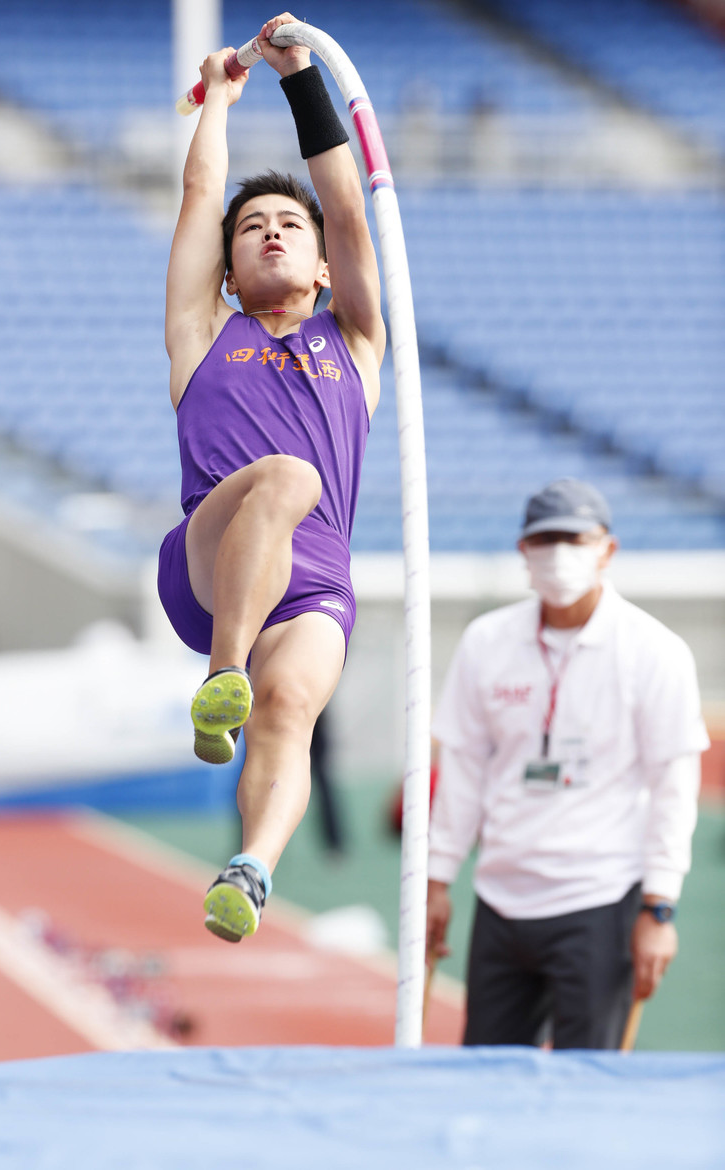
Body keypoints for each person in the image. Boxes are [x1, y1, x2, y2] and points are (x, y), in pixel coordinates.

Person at [157, 13, 385, 944]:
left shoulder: (357, 342)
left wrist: (303, 81)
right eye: (253, 228)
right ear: (231, 262)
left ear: (326, 268)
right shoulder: (203, 336)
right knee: (286, 476)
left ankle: (252, 869)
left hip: (316, 584)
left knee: (290, 710)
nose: (273, 234)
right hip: (211, 565)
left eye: (289, 224)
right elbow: (201, 189)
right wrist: (218, 98)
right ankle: (220, 679)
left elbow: (348, 206)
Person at [425, 478, 709, 1049]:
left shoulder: (655, 651)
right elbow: (462, 769)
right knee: (486, 1074)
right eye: (544, 539)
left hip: (599, 900)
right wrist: (435, 877)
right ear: (523, 552)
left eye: (574, 539)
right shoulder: (487, 642)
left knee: (590, 1084)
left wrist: (660, 908)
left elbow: (674, 784)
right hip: (501, 897)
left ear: (608, 549)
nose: (558, 554)